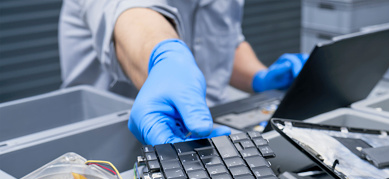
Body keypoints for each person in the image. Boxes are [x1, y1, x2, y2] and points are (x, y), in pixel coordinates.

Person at [59, 0, 308, 145]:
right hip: (106, 140)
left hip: (202, 128)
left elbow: (225, 43)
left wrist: (260, 77)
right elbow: (132, 18)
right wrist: (165, 57)